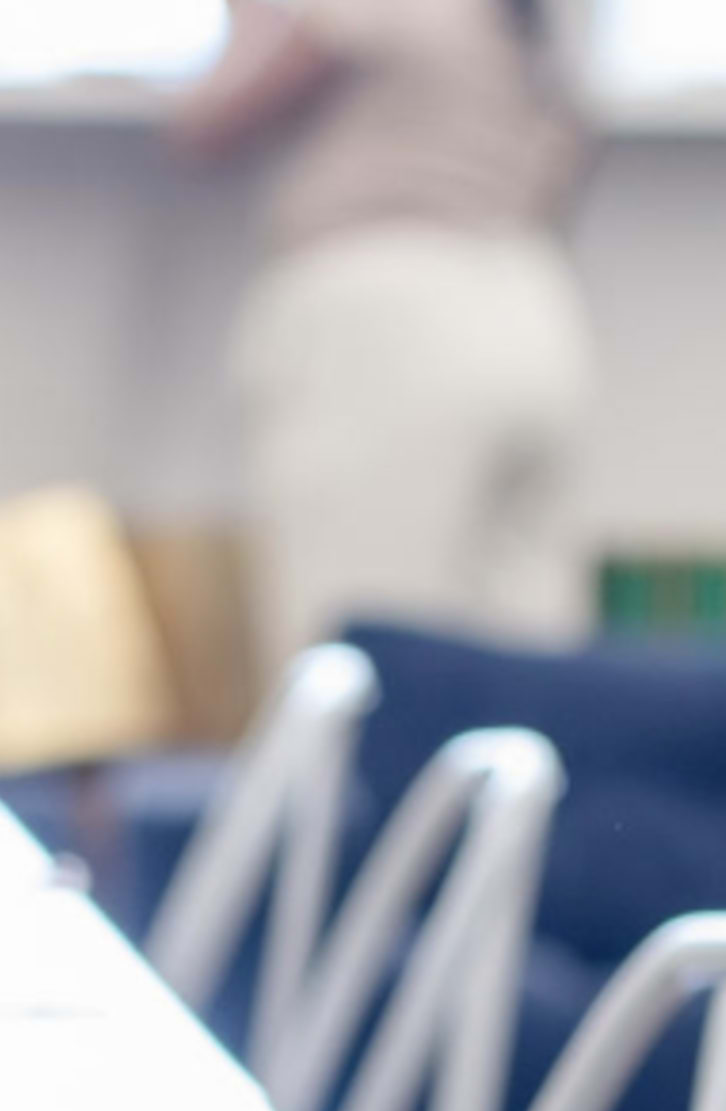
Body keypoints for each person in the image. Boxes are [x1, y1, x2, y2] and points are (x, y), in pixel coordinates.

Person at [173, 1, 595, 669]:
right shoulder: (531, 25)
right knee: (521, 646)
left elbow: (209, 122)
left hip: (393, 316)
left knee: (355, 640)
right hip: (532, 301)